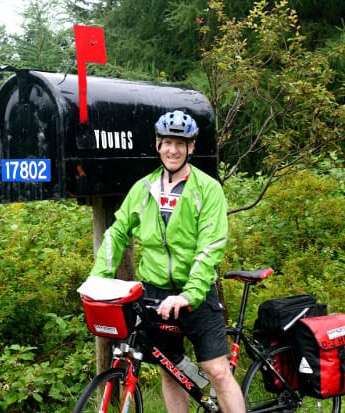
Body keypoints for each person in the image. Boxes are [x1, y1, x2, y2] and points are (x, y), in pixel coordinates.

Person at [90, 110, 245, 412]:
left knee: (216, 371)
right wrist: (98, 278)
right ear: (158, 144)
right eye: (167, 142)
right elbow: (117, 233)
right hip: (155, 293)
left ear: (191, 148)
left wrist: (189, 293)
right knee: (170, 369)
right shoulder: (143, 189)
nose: (173, 150)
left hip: (195, 295)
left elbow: (210, 245)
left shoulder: (207, 189)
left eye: (181, 143)